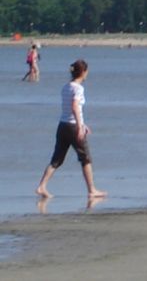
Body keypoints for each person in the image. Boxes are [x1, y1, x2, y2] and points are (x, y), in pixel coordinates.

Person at [35, 60, 107, 199]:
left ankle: (41, 186)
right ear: (83, 72)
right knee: (85, 158)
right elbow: (74, 106)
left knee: (57, 159)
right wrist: (80, 126)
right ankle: (92, 190)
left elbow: (69, 108)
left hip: (63, 125)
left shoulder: (66, 87)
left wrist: (83, 124)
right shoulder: (78, 88)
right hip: (73, 126)